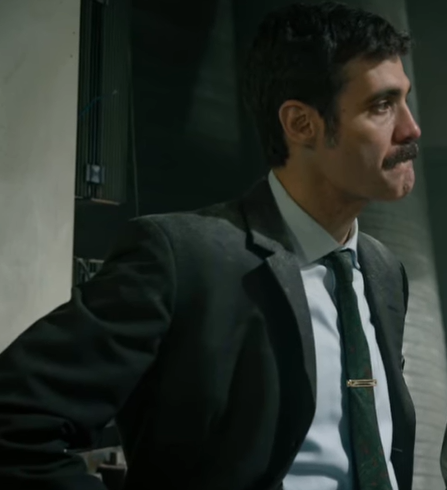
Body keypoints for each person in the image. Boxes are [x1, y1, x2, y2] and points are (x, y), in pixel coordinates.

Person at [0, 2, 420, 489]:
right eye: (382, 105)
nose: (411, 128)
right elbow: (15, 419)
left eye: (405, 100)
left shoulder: (384, 271)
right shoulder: (180, 258)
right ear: (301, 124)